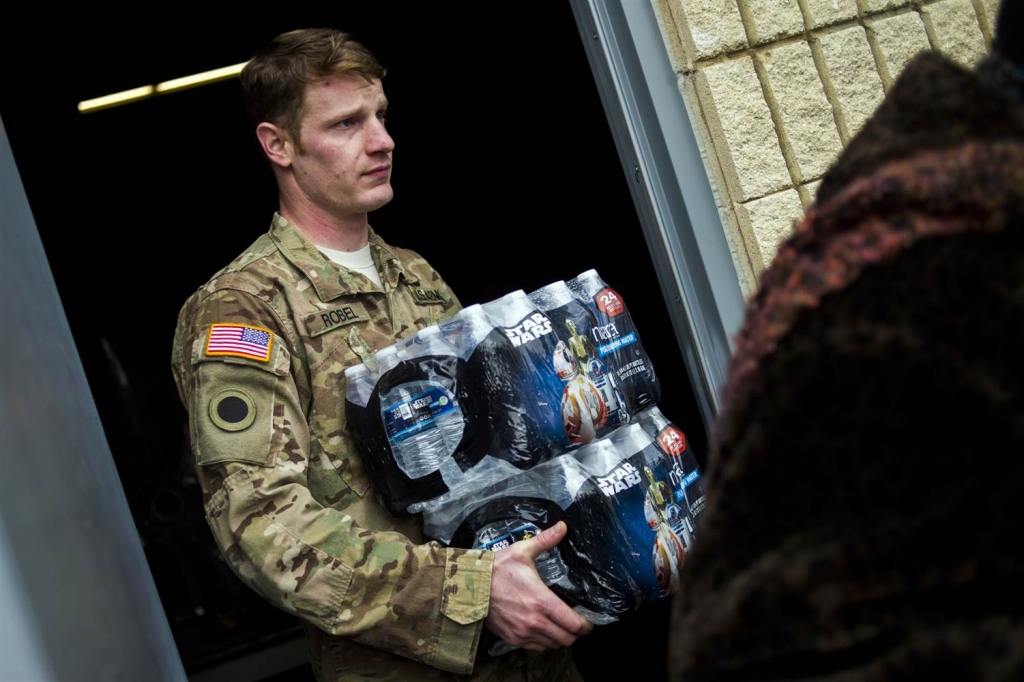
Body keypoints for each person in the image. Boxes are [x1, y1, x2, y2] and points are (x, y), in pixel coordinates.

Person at [170, 27, 590, 681]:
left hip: (536, 656)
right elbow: (260, 527)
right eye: (346, 124)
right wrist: (470, 593)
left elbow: (494, 455)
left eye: (381, 115)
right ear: (277, 144)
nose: (382, 141)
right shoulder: (244, 309)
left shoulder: (416, 276)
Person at [667, 0, 1024, 679]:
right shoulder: (924, 285)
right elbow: (758, 646)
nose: (392, 141)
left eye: (392, 117)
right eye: (387, 116)